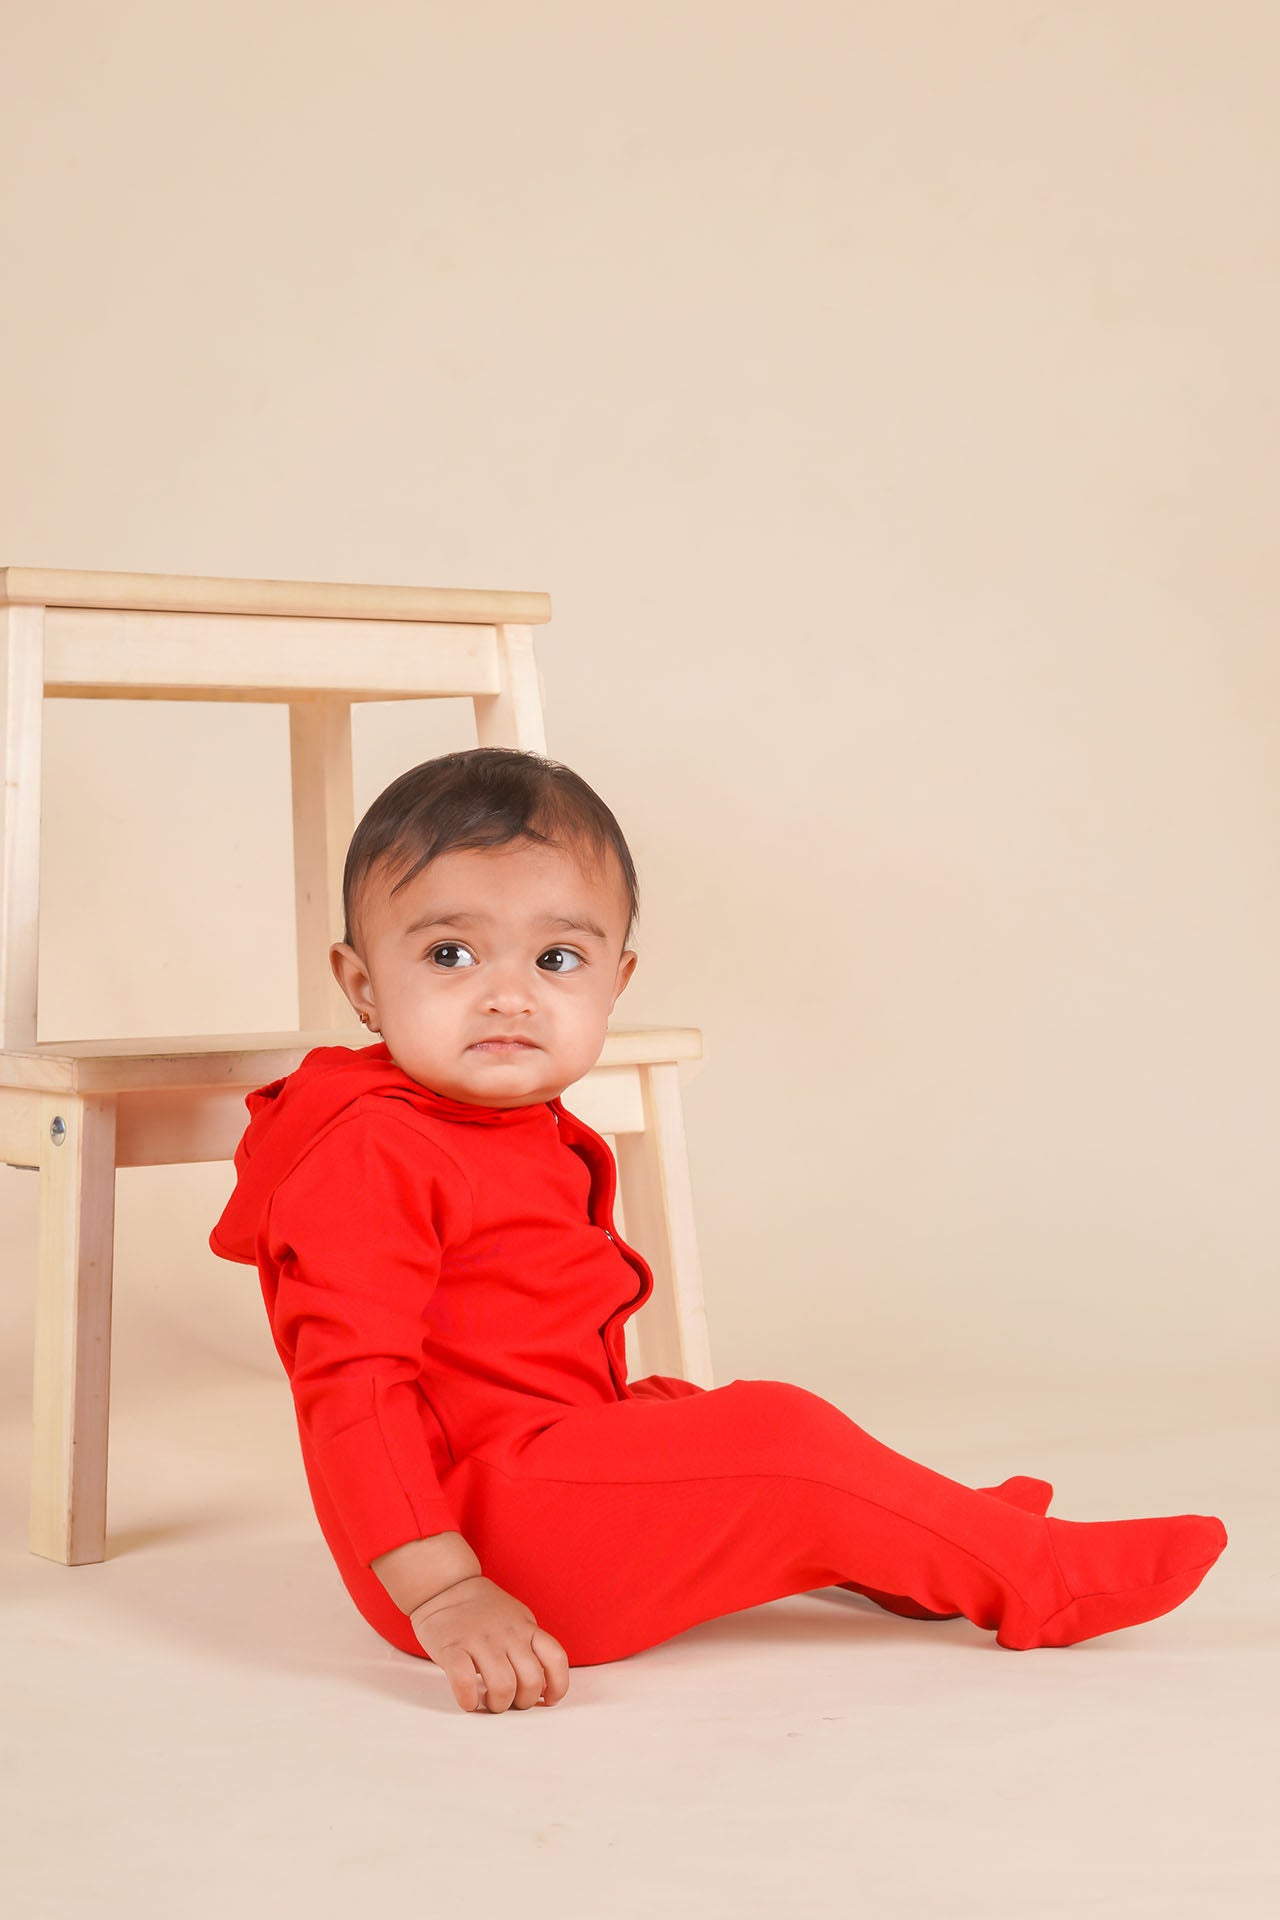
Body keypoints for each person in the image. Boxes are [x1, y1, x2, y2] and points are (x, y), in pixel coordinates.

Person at [209, 746, 1228, 1715]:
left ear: (614, 983)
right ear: (362, 986)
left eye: (557, 958)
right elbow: (353, 1388)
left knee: (687, 1413)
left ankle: (921, 1539)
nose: (508, 995)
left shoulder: (501, 1120)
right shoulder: (370, 1150)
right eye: (450, 954)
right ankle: (1033, 1578)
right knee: (776, 1439)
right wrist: (443, 1590)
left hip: (531, 1470)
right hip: (473, 1550)